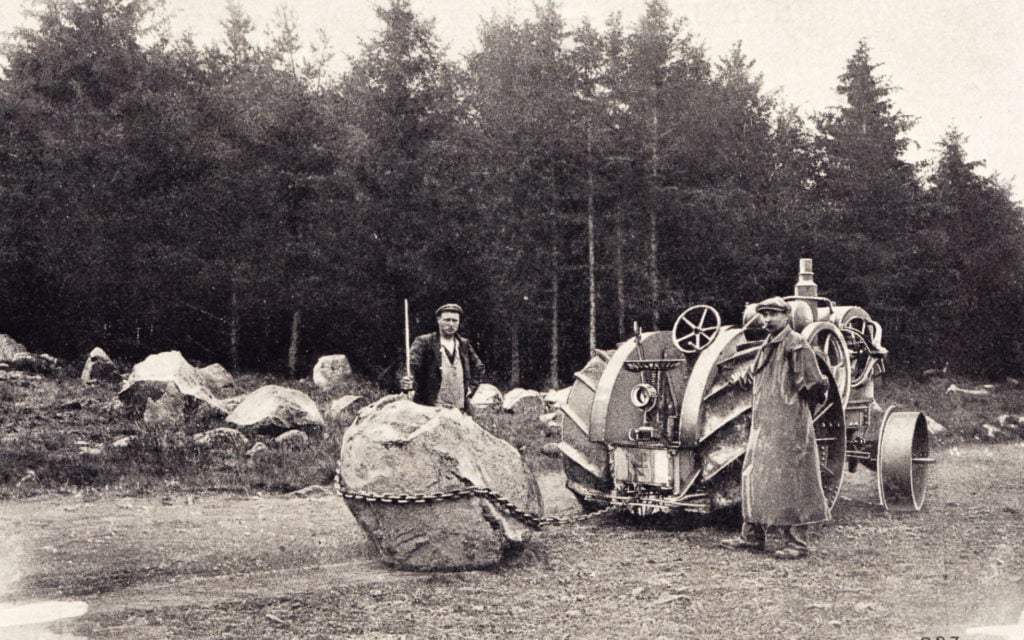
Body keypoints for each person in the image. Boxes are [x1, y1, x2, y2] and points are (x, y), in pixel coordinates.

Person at [720, 296, 830, 560]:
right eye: (764, 314)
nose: (767, 319)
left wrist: (796, 412)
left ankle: (797, 544)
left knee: (793, 479)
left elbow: (814, 384)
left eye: (773, 314)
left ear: (786, 315)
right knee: (755, 475)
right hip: (764, 425)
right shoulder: (767, 345)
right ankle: (752, 537)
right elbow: (758, 375)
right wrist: (744, 379)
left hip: (789, 424)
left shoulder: (796, 344)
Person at [399, 303, 485, 414]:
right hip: (431, 407)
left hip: (459, 407)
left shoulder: (464, 344)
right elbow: (412, 365)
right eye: (447, 320)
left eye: (455, 321)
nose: (451, 324)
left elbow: (479, 367)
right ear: (438, 320)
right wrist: (407, 379)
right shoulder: (425, 341)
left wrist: (470, 389)